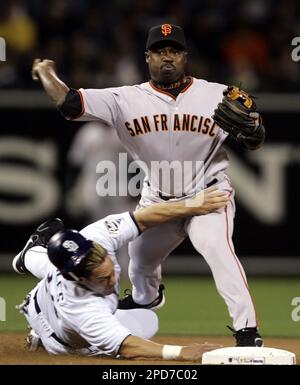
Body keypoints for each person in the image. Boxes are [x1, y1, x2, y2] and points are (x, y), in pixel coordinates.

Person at [31, 23, 266, 346]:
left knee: (218, 250)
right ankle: (145, 299)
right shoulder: (124, 98)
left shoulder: (217, 93)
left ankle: (247, 331)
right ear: (147, 58)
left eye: (173, 50)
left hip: (209, 195)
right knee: (139, 261)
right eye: (159, 51)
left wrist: (254, 130)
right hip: (159, 200)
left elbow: (255, 138)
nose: (166, 57)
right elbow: (70, 103)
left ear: (184, 56)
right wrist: (46, 73)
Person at [13, 188, 227, 360]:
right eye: (102, 278)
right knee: (147, 322)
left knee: (48, 264)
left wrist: (191, 205)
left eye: (109, 269)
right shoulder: (82, 307)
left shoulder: (95, 237)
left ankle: (28, 255)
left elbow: (143, 217)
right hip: (61, 339)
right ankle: (40, 337)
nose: (113, 279)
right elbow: (127, 346)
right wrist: (181, 352)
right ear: (80, 279)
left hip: (41, 298)